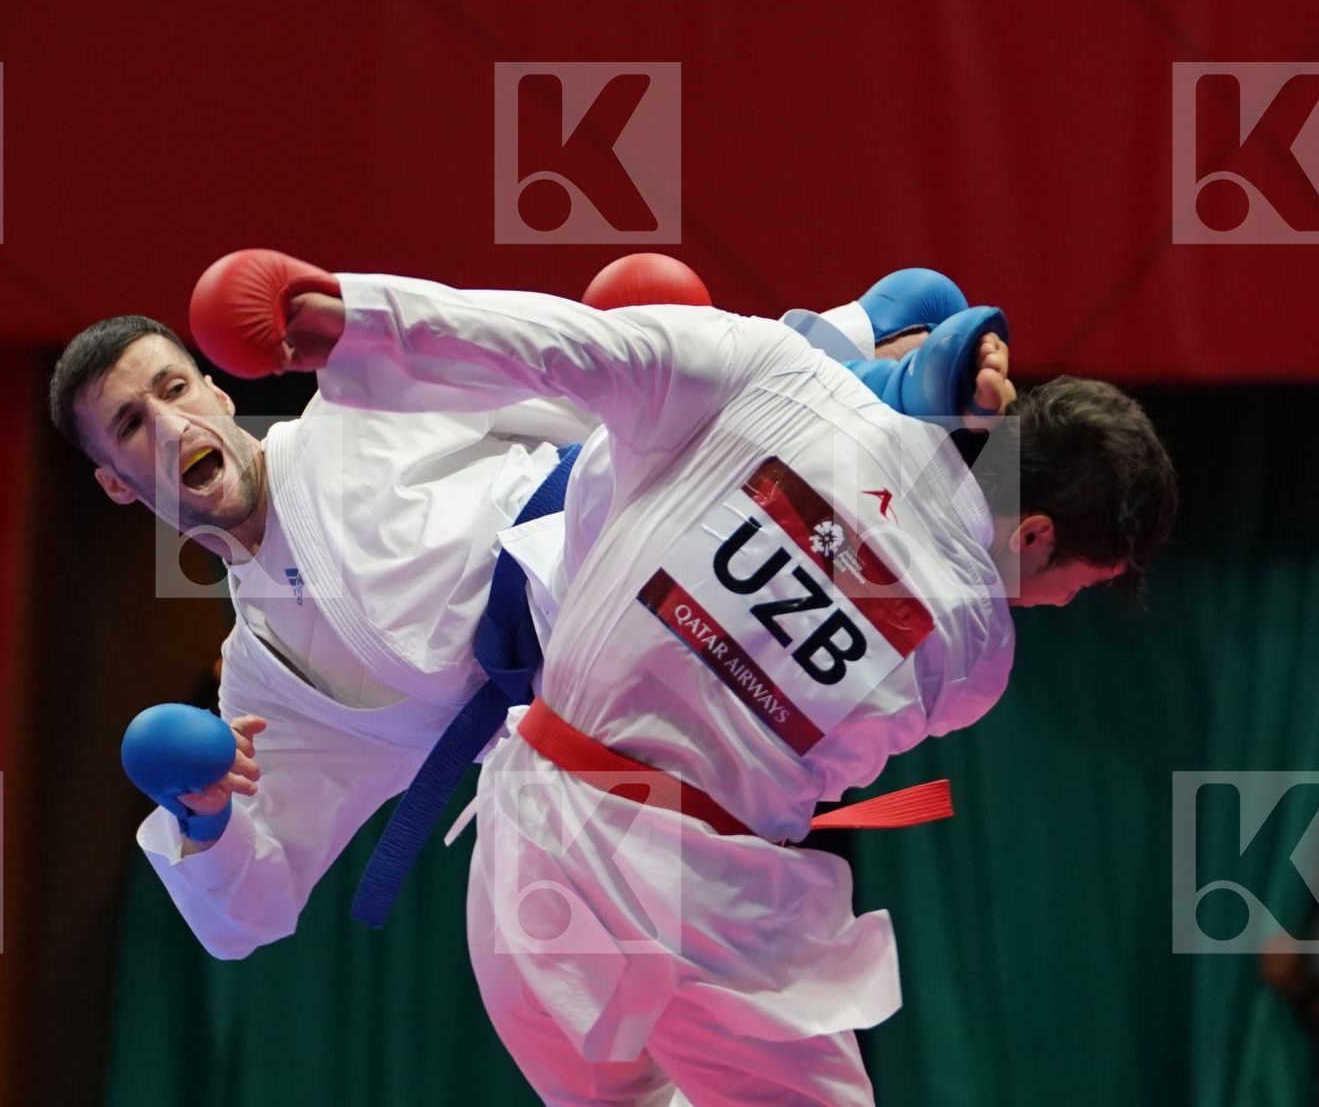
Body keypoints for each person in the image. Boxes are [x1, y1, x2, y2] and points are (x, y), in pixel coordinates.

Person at [275, 266, 1177, 1106]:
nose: (1061, 606)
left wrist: (355, 318)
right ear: (1035, 537)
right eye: (1082, 584)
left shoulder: (781, 373)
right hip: (698, 910)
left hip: (527, 846)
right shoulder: (975, 658)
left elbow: (567, 342)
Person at [48, 255, 1005, 958]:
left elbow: (559, 366)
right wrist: (205, 817)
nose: (172, 428)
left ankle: (872, 370)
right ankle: (878, 379)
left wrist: (352, 315)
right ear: (116, 484)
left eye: (174, 389)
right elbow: (245, 917)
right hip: (610, 747)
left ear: (216, 388)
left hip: (632, 538)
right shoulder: (272, 684)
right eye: (133, 425)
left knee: (652, 370)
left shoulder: (362, 407)